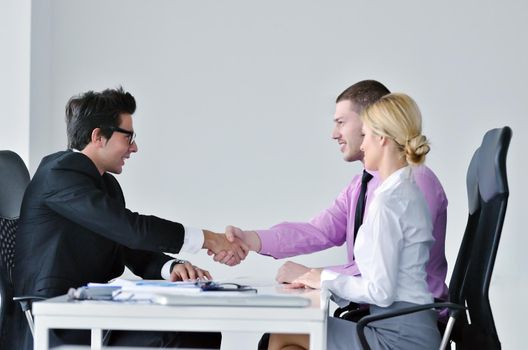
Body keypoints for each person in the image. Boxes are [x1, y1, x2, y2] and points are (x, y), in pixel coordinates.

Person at [13, 87, 247, 349]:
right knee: (182, 338)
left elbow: (127, 244)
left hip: (90, 314)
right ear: (98, 136)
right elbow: (132, 229)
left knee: (201, 333)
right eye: (129, 137)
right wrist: (208, 239)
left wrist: (171, 267)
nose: (134, 147)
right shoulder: (60, 173)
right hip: (57, 320)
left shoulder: (105, 184)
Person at [212, 80, 448, 298]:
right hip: (373, 312)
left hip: (404, 316)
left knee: (285, 338)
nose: (334, 134)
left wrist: (315, 275)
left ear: (372, 122)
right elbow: (318, 231)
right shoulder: (360, 185)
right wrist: (251, 240)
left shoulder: (412, 184)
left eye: (341, 122)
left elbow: (384, 272)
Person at [270, 92, 442, 349]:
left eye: (367, 135)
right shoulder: (405, 190)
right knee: (291, 332)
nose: (362, 145)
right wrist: (320, 279)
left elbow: (380, 291)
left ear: (382, 138)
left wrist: (324, 279)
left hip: (401, 337)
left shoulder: (389, 202)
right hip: (398, 324)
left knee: (286, 332)